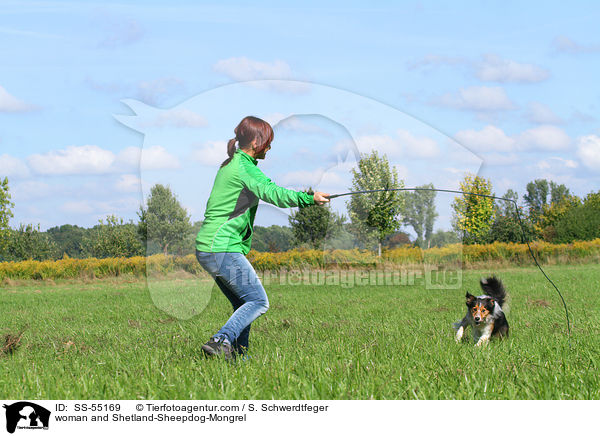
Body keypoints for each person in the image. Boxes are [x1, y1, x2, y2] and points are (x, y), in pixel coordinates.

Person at [195, 116, 330, 360]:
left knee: (243, 304)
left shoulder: (232, 164)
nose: (269, 147)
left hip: (210, 248)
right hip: (222, 247)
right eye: (268, 142)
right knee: (258, 301)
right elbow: (273, 193)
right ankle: (221, 340)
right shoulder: (244, 168)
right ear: (256, 141)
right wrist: (309, 199)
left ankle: (238, 358)